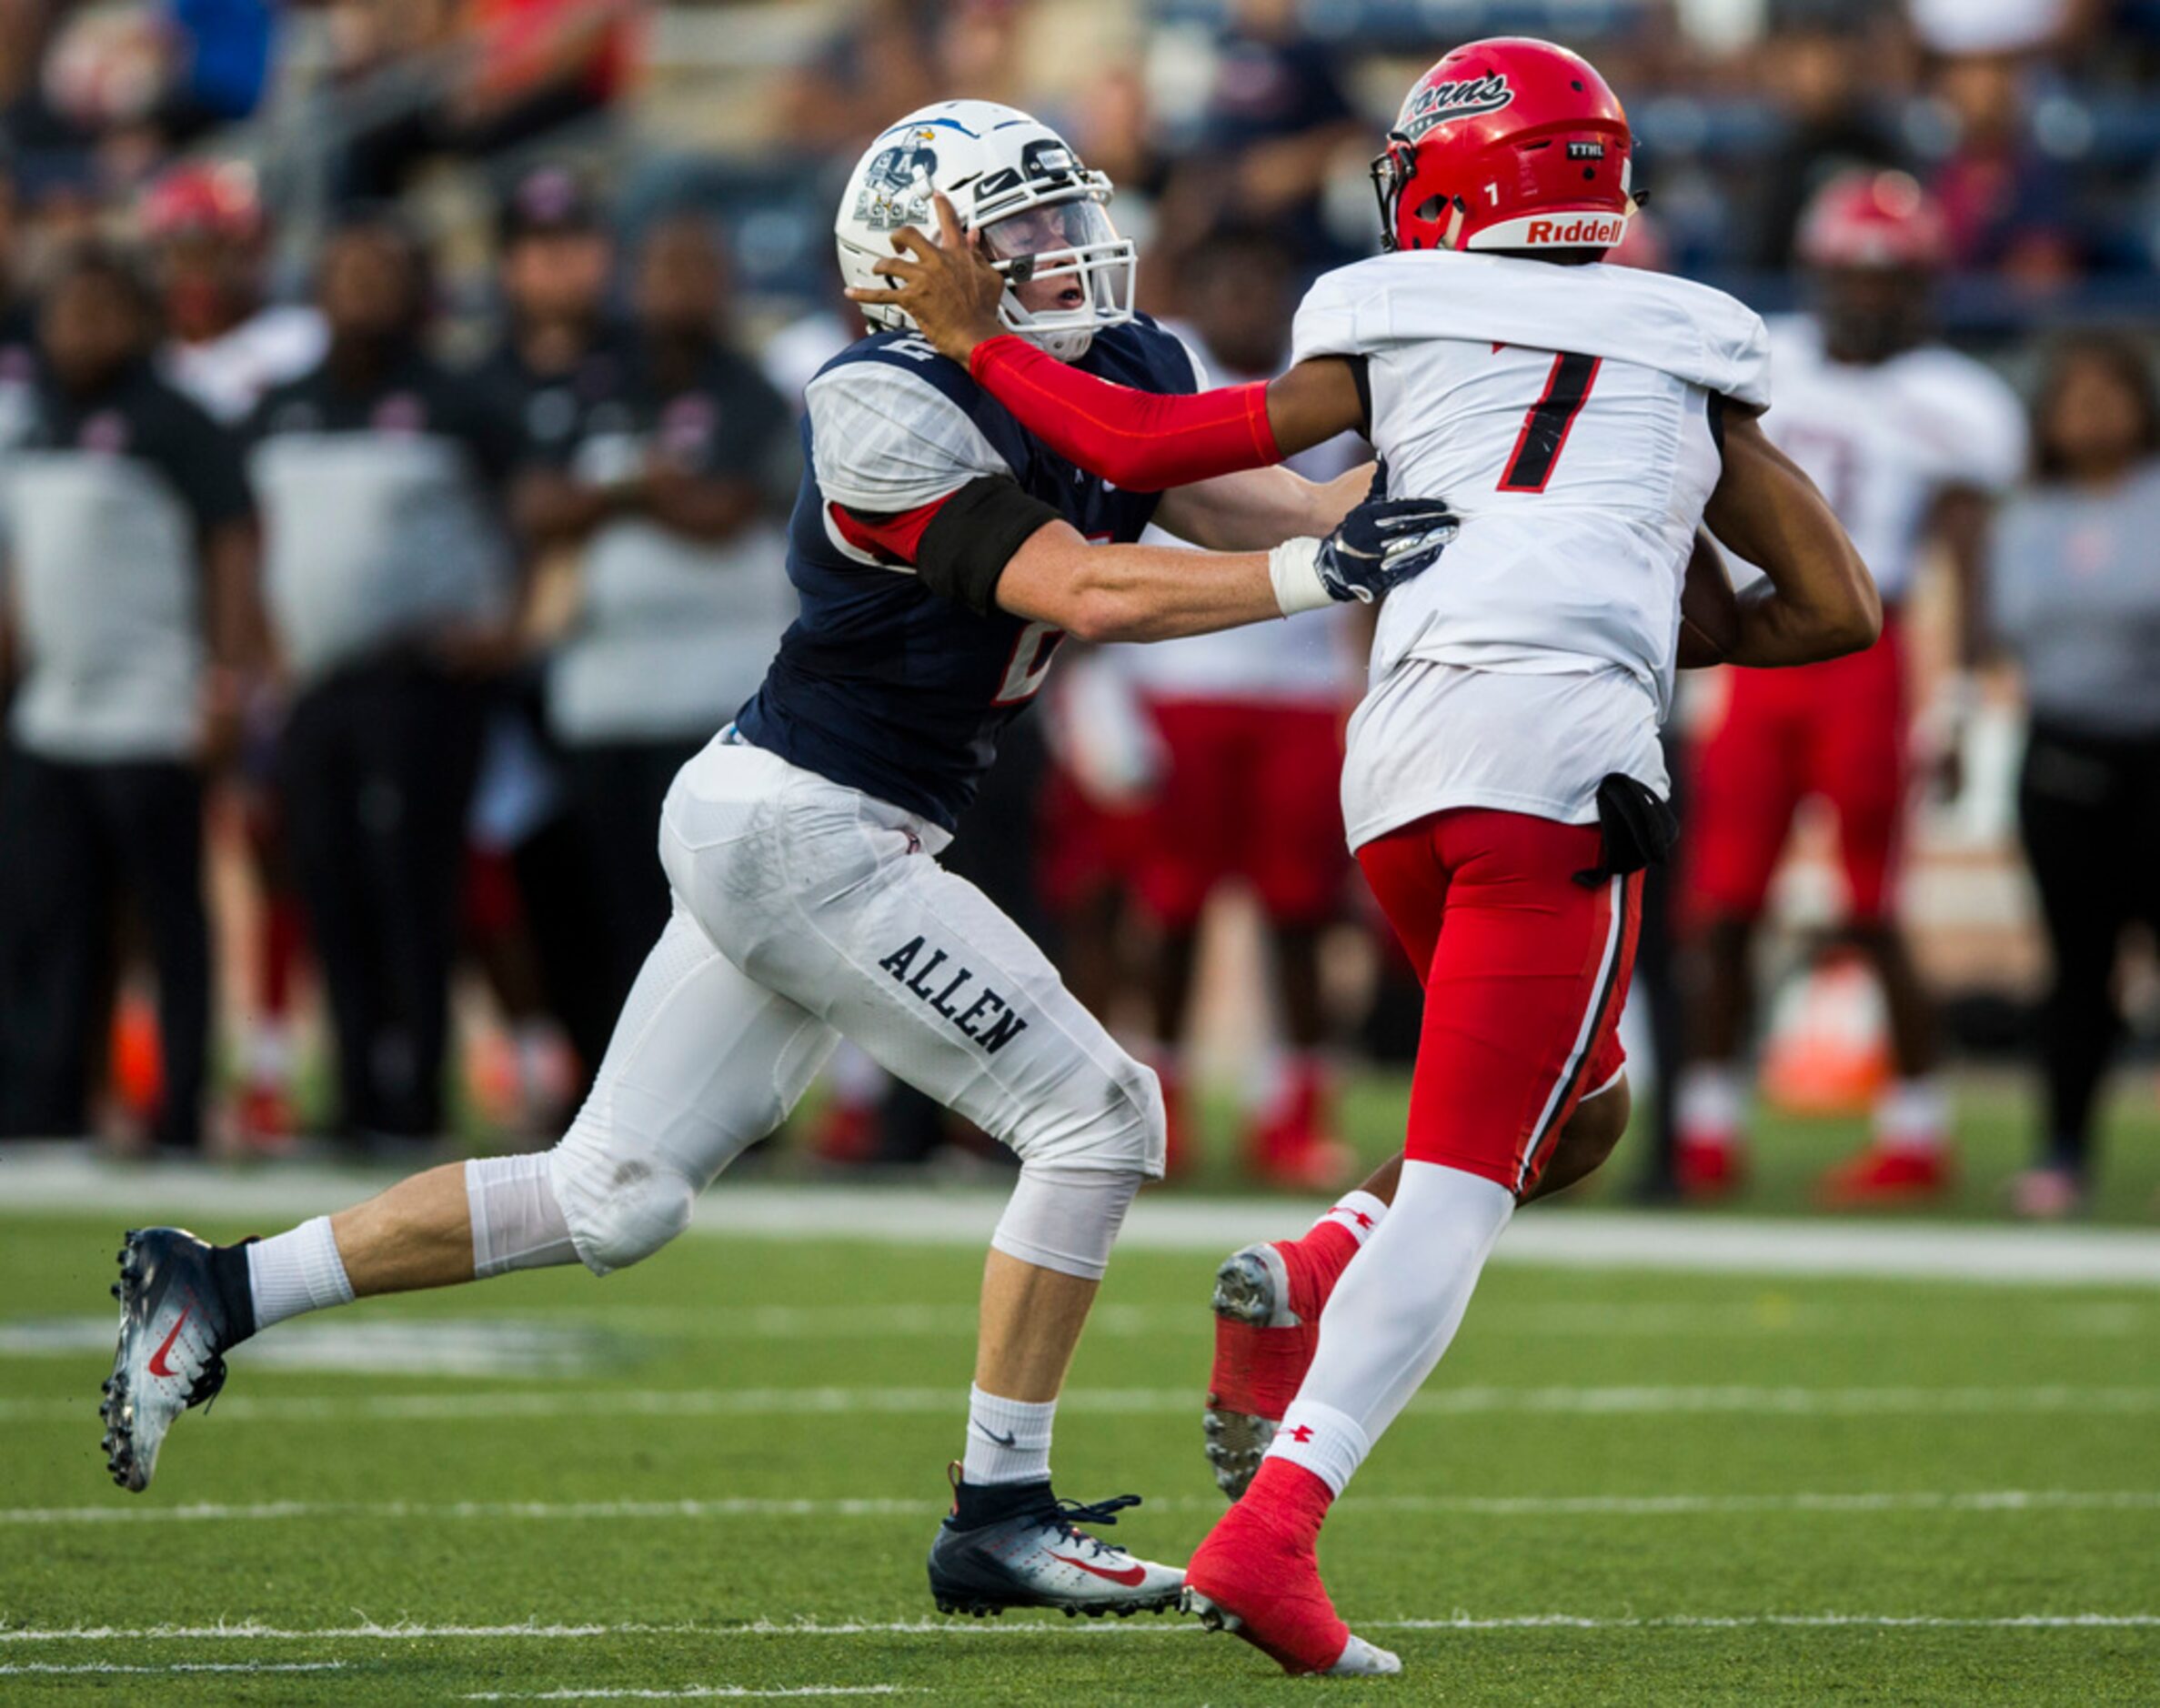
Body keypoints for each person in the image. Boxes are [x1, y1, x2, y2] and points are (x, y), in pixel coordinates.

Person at [97, 100, 1454, 1626]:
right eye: (1014, 229)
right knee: (1098, 1109)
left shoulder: (1121, 364)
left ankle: (217, 1286)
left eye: (1058, 213)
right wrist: (1312, 573)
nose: (1060, 248)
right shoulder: (876, 406)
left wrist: (1439, 494)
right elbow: (1085, 584)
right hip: (804, 823)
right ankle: (1000, 1509)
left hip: (821, 819)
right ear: (910, 260)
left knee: (612, 1194)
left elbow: (1272, 501)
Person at [863, 40, 1877, 1675]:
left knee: (1581, 1108)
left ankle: (1314, 1259)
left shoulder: (1392, 310)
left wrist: (979, 345)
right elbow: (1838, 610)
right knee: (1473, 1182)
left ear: (1465, 175)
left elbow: (1142, 450)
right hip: (1561, 758)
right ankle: (1276, 1533)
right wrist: (1632, 586)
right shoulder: (1691, 343)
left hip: (1400, 765)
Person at [1675, 169, 2026, 1204]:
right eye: (1851, 274)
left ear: (1923, 285)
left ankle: (1915, 1134)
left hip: (1868, 655)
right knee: (1723, 904)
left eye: (1890, 277)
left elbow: (1969, 566)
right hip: (1750, 649)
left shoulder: (1956, 402)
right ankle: (1704, 1127)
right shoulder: (1759, 357)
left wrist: (1956, 701)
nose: (1867, 296)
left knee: (1870, 910)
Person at [244, 212, 526, 1143]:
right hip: (314, 682)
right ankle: (355, 1085)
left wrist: (509, 627)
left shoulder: (460, 399)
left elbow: (529, 516)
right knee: (325, 878)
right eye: (345, 271)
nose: (362, 289)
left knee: (416, 882)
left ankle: (417, 1091)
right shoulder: (279, 403)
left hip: (422, 680)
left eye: (380, 271)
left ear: (415, 290)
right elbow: (245, 543)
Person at [1117, 225, 1368, 1188]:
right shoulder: (1165, 375)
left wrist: (1365, 691)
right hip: (1182, 681)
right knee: (1170, 912)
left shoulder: (1336, 398)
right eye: (1231, 287)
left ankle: (1296, 1109)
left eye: (1264, 287)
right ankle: (1165, 1106)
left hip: (1302, 691)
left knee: (1300, 914)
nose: (1246, 307)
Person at [0, 245, 263, 1151]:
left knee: (166, 920)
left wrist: (226, 680)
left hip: (151, 708)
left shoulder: (179, 420)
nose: (81, 329)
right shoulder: (32, 421)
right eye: (67, 311)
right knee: (50, 919)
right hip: (51, 711)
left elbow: (232, 549)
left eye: (100, 310)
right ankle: (48, 1105)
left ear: (138, 319)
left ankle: (181, 1108)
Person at [516, 213, 798, 1015]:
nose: (678, 286)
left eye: (696, 268)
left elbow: (722, 513)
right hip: (602, 690)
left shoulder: (749, 388)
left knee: (714, 907)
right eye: (663, 267)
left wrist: (608, 492)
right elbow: (536, 505)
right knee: (610, 900)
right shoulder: (593, 378)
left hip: (717, 691)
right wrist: (646, 486)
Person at [142, 158, 327, 1145]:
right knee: (155, 861)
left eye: (214, 248)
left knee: (278, 851)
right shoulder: (147, 364)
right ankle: (152, 1063)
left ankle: (267, 1060)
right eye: (181, 251)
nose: (197, 271)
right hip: (161, 634)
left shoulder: (293, 348)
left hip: (275, 627)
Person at [1993, 336, 2160, 1219]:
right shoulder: (2025, 513)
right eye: (2074, 396)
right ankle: (2062, 1151)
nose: (2090, 414)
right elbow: (2009, 632)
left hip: (2151, 754)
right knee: (2074, 967)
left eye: (2108, 394)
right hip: (2060, 754)